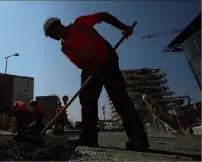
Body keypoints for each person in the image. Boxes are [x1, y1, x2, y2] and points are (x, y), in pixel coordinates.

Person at [43, 12, 149, 151]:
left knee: (119, 98)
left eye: (52, 34)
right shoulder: (64, 46)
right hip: (91, 67)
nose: (52, 38)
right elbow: (79, 62)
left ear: (58, 25)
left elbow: (103, 16)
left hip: (108, 60)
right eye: (50, 37)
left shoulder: (79, 23)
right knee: (86, 100)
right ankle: (89, 137)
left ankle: (138, 139)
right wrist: (91, 68)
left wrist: (123, 27)